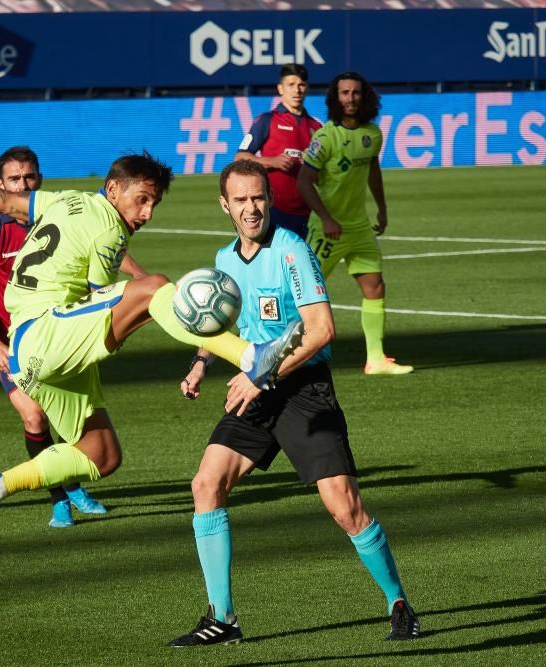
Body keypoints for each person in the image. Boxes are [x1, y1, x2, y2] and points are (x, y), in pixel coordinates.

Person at [0, 152, 305, 547]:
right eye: (141, 200)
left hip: (36, 353)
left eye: (153, 203)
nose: (147, 213)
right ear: (114, 189)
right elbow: (105, 296)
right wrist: (155, 306)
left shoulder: (64, 200)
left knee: (101, 454)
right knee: (156, 288)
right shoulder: (108, 227)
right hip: (47, 333)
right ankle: (251, 356)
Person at [169, 160, 420, 647]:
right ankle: (223, 618)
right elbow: (217, 323)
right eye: (240, 200)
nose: (251, 208)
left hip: (303, 389)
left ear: (271, 199)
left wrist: (258, 375)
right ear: (225, 205)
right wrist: (201, 363)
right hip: (254, 387)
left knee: (344, 508)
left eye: (258, 197)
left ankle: (400, 604)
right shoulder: (223, 260)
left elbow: (322, 329)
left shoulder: (292, 251)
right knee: (206, 483)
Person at [0, 146, 112, 528]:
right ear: (1, 185)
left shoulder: (58, 215)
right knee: (34, 416)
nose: (23, 184)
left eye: (29, 177)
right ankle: (59, 498)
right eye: (15, 179)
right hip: (12, 344)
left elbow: (103, 246)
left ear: (40, 179)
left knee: (70, 423)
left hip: (60, 334)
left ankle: (71, 483)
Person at [297, 71, 412, 376]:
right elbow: (304, 182)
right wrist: (325, 218)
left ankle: (375, 359)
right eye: (344, 93)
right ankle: (286, 352)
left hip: (358, 227)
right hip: (327, 230)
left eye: (356, 93)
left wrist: (382, 208)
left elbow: (373, 169)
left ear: (365, 97)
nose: (350, 98)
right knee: (302, 293)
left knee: (374, 286)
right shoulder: (325, 137)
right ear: (336, 98)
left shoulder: (372, 134)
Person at [234, 63, 322, 240]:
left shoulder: (316, 127)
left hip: (304, 213)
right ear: (280, 88)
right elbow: (240, 157)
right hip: (273, 209)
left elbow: (321, 176)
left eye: (301, 85)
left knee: (293, 266)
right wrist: (272, 161)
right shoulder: (267, 120)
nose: (297, 90)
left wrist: (312, 167)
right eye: (291, 85)